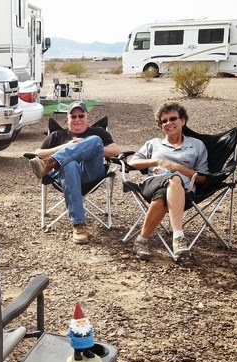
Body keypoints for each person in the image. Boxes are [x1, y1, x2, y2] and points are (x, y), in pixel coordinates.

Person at [28, 101, 123, 244]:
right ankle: (78, 225)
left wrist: (87, 145)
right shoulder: (57, 135)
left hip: (91, 174)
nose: (77, 119)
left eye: (81, 116)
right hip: (67, 176)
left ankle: (52, 162)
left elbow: (116, 151)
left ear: (87, 117)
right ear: (67, 119)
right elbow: (38, 153)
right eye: (73, 116)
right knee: (70, 165)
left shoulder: (98, 132)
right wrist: (65, 147)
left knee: (95, 141)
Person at [128, 102, 208, 260]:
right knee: (173, 179)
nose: (168, 123)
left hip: (183, 191)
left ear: (183, 120)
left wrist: (179, 167)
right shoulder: (154, 144)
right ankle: (178, 237)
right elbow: (132, 163)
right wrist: (156, 161)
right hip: (152, 182)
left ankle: (141, 241)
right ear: (160, 126)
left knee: (164, 194)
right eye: (164, 121)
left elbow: (202, 178)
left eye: (172, 119)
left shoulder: (197, 145)